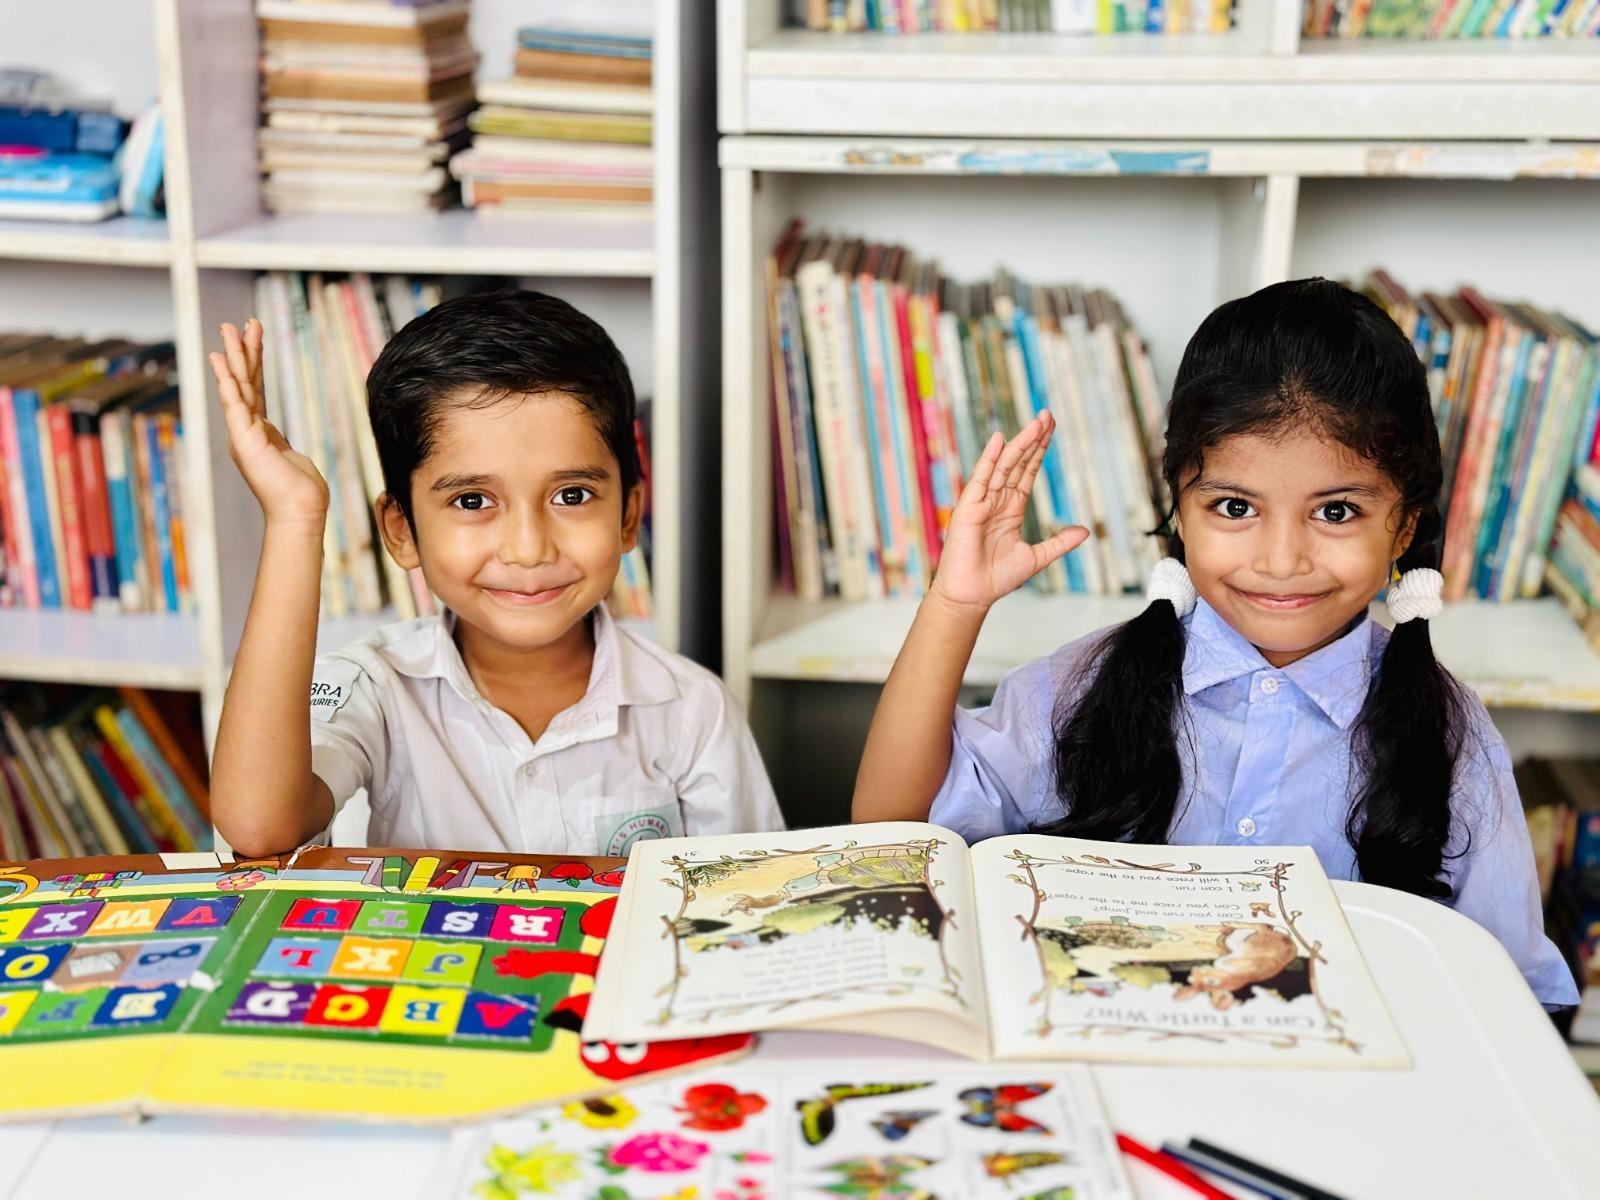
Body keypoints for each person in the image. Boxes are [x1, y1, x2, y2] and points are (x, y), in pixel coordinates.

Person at [852, 278, 1576, 1008]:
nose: (1281, 558)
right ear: (1180, 509)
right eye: (1235, 507)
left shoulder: (1450, 738)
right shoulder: (1082, 688)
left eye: (1336, 511)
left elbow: (1512, 993)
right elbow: (889, 833)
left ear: (1406, 526)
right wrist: (955, 602)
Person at [207, 289, 782, 858]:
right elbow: (260, 828)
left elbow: (749, 906)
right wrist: (294, 518)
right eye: (473, 502)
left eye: (572, 494)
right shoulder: (378, 691)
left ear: (629, 516)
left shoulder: (691, 711)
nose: (528, 550)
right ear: (402, 530)